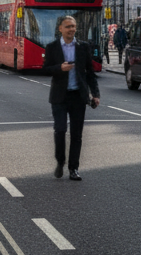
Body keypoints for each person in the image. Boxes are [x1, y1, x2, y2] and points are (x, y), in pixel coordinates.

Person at [42, 15, 100, 181]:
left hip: (78, 96)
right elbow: (45, 69)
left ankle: (74, 168)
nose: (71, 29)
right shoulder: (52, 47)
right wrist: (60, 68)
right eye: (68, 26)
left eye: (73, 26)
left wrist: (95, 94)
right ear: (60, 28)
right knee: (60, 130)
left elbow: (90, 73)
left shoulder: (83, 47)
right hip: (60, 96)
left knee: (77, 135)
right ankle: (60, 162)